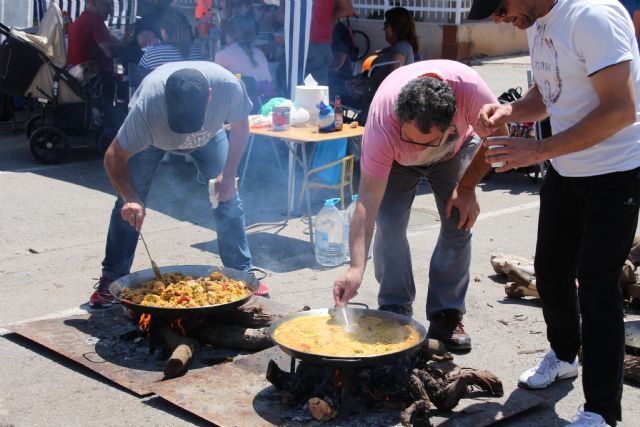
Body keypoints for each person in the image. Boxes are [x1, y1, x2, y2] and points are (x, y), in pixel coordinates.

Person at [468, 1, 640, 426]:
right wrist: (510, 111)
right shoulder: (536, 19)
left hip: (615, 174)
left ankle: (602, 410)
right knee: (549, 271)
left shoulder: (591, 17)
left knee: (598, 289)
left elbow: (621, 109)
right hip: (567, 169)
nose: (496, 18)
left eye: (500, 6)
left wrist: (539, 149)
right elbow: (549, 92)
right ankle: (564, 356)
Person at [333, 60, 508, 352]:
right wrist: (355, 267)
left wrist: (467, 188)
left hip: (453, 153)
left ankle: (446, 313)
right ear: (399, 119)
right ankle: (395, 306)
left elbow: (501, 137)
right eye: (410, 139)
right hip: (397, 164)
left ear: (452, 119)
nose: (418, 149)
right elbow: (367, 200)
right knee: (389, 224)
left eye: (427, 142)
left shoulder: (470, 90)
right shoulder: (382, 122)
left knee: (458, 223)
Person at [89, 61, 261, 307]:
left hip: (210, 138)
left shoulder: (228, 87)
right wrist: (130, 197)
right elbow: (113, 156)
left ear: (210, 95)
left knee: (228, 198)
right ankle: (112, 278)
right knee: (129, 207)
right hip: (153, 142)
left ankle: (243, 274)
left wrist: (229, 173)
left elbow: (241, 126)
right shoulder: (147, 105)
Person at [215, 14, 276, 99]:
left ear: (230, 33)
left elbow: (217, 84)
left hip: (244, 105)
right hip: (267, 101)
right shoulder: (259, 53)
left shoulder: (221, 55)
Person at [66, 0, 124, 75]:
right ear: (93, 3)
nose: (110, 10)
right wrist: (127, 50)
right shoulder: (95, 21)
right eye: (107, 5)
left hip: (76, 77)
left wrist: (122, 44)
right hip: (92, 80)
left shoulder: (80, 20)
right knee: (125, 75)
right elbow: (110, 52)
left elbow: (110, 38)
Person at [305, 0, 354, 86]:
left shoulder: (341, 31)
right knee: (318, 89)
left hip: (314, 43)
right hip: (319, 44)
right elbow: (348, 10)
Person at [373, 7, 420, 72]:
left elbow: (394, 78)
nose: (384, 29)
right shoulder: (399, 46)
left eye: (386, 24)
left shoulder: (401, 47)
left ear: (396, 26)